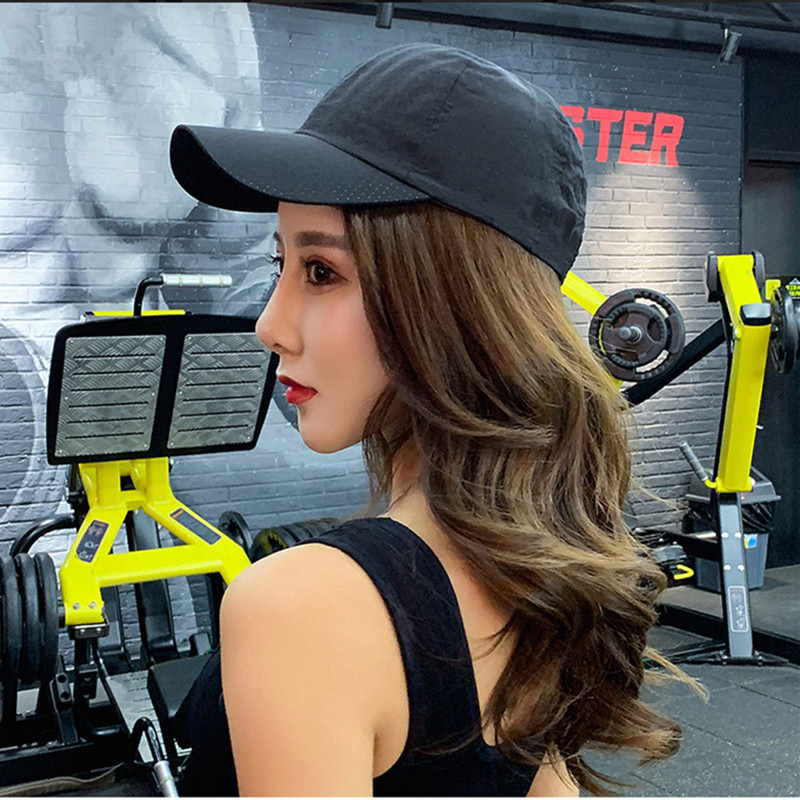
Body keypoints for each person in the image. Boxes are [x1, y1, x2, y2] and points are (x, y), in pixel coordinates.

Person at [168, 42, 705, 797]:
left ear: (453, 302)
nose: (270, 325)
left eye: (321, 272)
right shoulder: (530, 567)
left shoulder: (302, 607)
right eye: (279, 265)